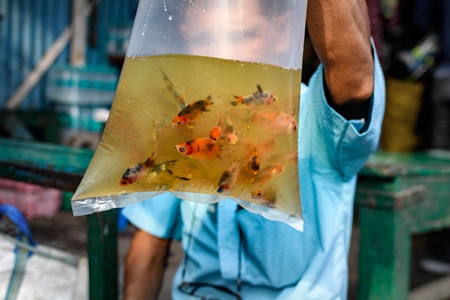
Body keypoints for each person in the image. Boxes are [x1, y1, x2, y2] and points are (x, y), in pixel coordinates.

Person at [123, 0, 385, 299]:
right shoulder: (186, 121)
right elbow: (151, 239)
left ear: (283, 29)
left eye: (242, 36)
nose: (223, 55)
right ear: (185, 39)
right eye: (206, 39)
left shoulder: (313, 117)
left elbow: (353, 77)